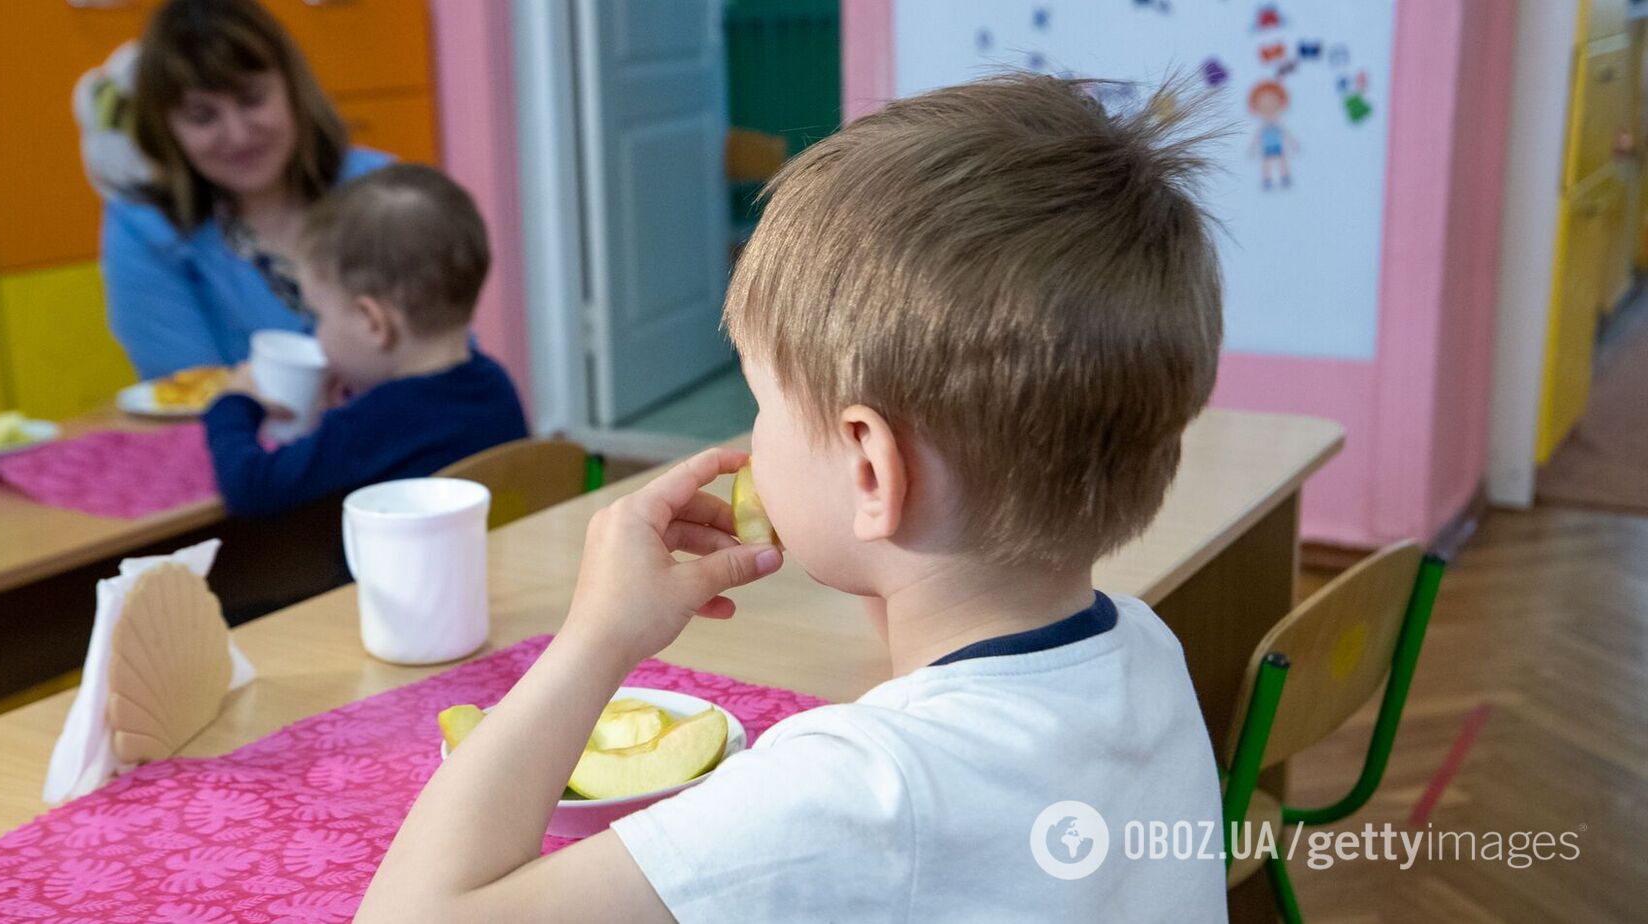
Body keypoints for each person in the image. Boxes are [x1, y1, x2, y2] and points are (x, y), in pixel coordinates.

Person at [356, 73, 1228, 922]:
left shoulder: (853, 793)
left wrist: (598, 635)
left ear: (871, 471)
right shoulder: (1147, 649)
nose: (749, 441)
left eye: (762, 402)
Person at [205, 164, 527, 519]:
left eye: (319, 316)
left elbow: (251, 487)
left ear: (374, 322)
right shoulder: (495, 383)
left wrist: (232, 404)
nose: (316, 333)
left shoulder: (373, 421)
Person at [105, 0, 392, 380]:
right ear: (166, 128)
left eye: (252, 99)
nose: (238, 135)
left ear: (293, 88)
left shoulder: (380, 191)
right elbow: (192, 402)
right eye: (202, 117)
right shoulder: (145, 229)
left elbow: (443, 356)